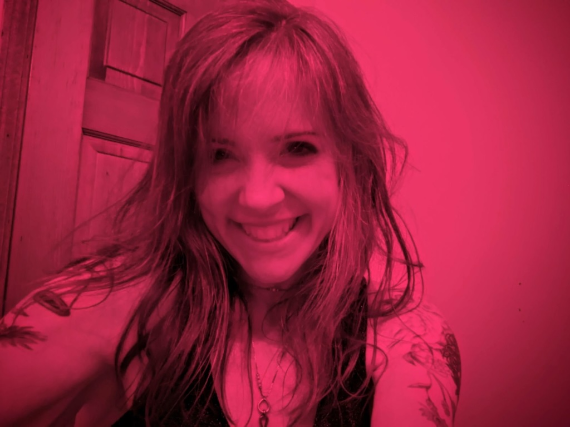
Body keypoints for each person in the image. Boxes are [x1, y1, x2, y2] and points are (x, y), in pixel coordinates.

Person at [0, 1, 461, 426]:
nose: (257, 198)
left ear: (350, 162)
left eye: (297, 148)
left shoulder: (406, 337)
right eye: (220, 154)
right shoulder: (120, 302)